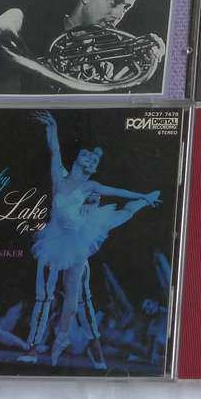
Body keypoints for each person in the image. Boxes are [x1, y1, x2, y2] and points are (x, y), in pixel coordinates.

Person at [17, 111, 161, 369]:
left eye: (94, 159)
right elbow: (54, 150)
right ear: (77, 159)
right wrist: (52, 127)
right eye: (87, 155)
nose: (91, 159)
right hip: (55, 241)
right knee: (45, 296)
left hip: (78, 240)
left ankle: (78, 347)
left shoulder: (90, 186)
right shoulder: (59, 177)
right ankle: (34, 349)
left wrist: (142, 196)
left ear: (93, 167)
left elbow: (118, 191)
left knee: (77, 301)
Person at [0, 0, 165, 94]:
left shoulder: (107, 61)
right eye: (114, 2)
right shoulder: (32, 30)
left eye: (126, 8)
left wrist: (143, 63)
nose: (119, 15)